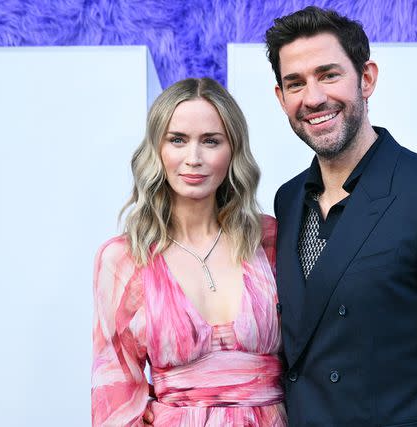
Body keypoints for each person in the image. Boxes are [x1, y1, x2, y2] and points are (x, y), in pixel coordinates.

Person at [265, 6, 417, 427]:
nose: (314, 97)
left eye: (329, 74)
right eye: (296, 83)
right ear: (281, 98)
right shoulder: (287, 200)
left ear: (367, 78)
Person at [91, 77, 286, 426]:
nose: (193, 158)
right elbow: (115, 392)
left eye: (211, 141)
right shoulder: (123, 258)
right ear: (157, 150)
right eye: (177, 140)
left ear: (233, 151)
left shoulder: (270, 239)